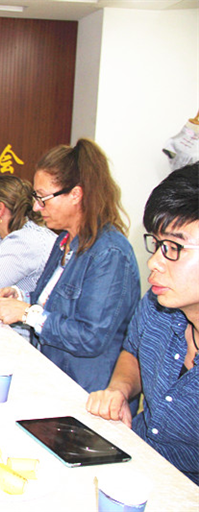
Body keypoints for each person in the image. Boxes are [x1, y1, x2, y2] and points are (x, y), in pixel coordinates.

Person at [0, 139, 140, 394]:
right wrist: (21, 298)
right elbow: (57, 306)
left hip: (85, 389)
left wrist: (27, 313)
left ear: (76, 195)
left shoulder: (110, 254)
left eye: (43, 198)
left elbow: (90, 337)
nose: (36, 207)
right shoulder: (64, 241)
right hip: (52, 374)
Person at [86, 163, 199, 485]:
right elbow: (134, 351)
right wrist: (119, 390)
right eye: (158, 244)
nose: (153, 262)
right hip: (136, 460)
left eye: (174, 248)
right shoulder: (157, 305)